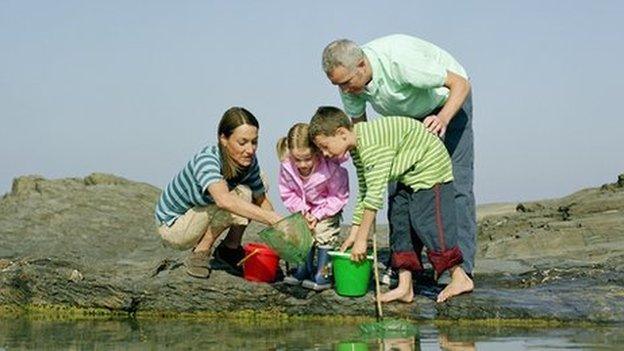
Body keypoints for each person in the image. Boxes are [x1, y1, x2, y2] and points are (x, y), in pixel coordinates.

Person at [321, 34, 476, 278]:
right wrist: (361, 226)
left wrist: (442, 119)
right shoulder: (350, 83)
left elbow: (461, 85)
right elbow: (361, 136)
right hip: (405, 120)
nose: (344, 90)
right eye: (338, 85)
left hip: (446, 104)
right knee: (398, 189)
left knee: (453, 184)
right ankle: (407, 269)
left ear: (361, 64)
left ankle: (460, 271)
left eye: (347, 82)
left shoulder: (401, 61)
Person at [308, 106, 473, 303]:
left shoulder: (371, 145)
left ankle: (459, 276)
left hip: (429, 166)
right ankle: (405, 286)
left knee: (427, 223)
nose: (324, 154)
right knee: (399, 221)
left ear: (342, 133)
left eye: (325, 146)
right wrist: (354, 233)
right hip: (406, 173)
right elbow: (365, 189)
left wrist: (362, 240)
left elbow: (374, 196)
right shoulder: (355, 148)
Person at [155, 107, 282, 279]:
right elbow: (223, 200)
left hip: (200, 213)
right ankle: (200, 253)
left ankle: (230, 248)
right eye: (242, 142)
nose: (250, 149)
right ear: (223, 138)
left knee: (260, 181)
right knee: (238, 195)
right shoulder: (207, 160)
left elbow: (261, 200)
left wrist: (285, 229)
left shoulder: (249, 162)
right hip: (175, 226)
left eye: (254, 142)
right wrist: (271, 219)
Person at [276, 123, 349, 290]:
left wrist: (318, 215)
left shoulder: (330, 168)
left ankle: (324, 273)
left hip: (327, 210)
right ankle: (304, 269)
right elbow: (287, 192)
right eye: (297, 159)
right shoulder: (287, 167)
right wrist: (303, 211)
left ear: (317, 151)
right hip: (304, 210)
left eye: (307, 158)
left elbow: (338, 196)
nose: (302, 164)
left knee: (324, 234)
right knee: (302, 234)